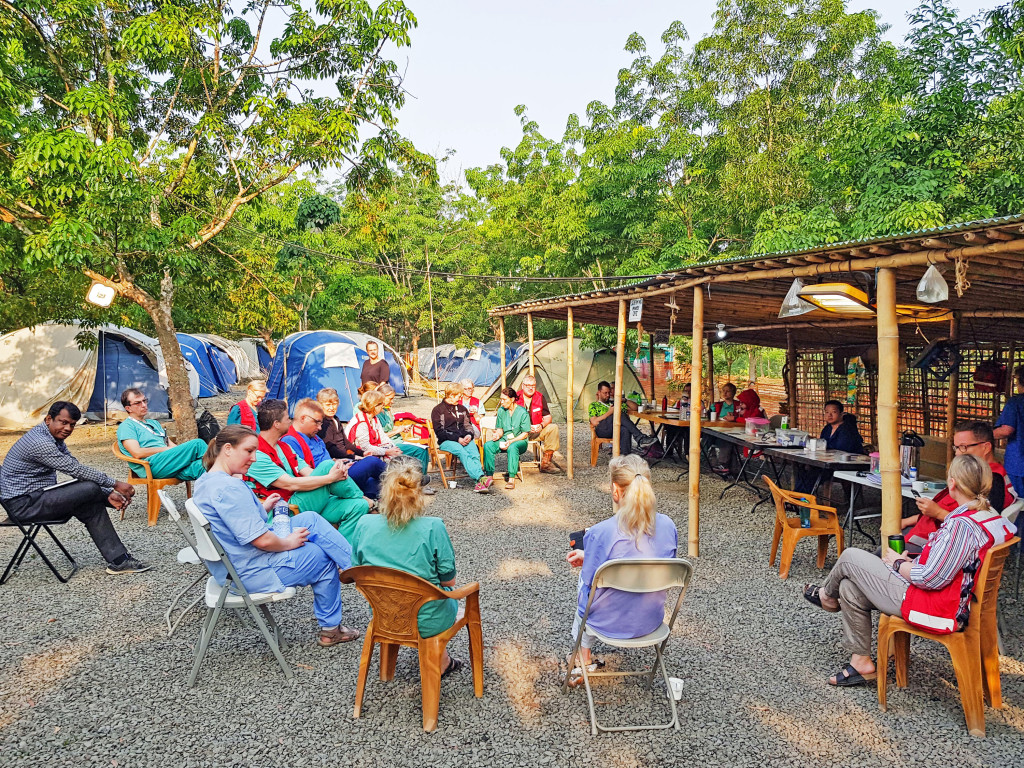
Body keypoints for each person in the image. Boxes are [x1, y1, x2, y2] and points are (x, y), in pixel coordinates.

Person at [803, 453, 1016, 687]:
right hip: (959, 599)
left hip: (936, 605)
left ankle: (826, 596)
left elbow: (930, 578)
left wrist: (897, 564)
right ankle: (861, 662)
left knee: (850, 556)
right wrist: (912, 563)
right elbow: (948, 566)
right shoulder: (992, 517)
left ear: (952, 483)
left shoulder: (961, 525)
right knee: (849, 586)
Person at [193, 425, 360, 646]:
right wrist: (288, 542)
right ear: (227, 449)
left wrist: (262, 509)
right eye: (249, 451)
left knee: (309, 518)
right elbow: (261, 540)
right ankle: (333, 627)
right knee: (322, 557)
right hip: (250, 572)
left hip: (234, 565)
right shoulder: (228, 488)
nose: (253, 458)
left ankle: (353, 567)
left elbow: (231, 523)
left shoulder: (207, 480)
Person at [564, 454, 678, 685]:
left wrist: (589, 558)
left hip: (606, 623)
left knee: (584, 585)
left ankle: (583, 658)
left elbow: (590, 582)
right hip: (650, 621)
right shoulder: (668, 525)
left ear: (616, 489)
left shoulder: (602, 531)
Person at [0, 402, 149, 575]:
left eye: (72, 424)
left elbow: (75, 468)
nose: (67, 428)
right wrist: (115, 485)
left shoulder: (53, 437)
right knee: (90, 488)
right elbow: (75, 470)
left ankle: (119, 561)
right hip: (23, 505)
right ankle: (119, 557)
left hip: (38, 498)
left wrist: (107, 493)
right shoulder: (40, 442)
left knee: (89, 501)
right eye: (63, 422)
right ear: (49, 419)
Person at [351, 460, 464, 675]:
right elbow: (449, 581)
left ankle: (391, 668)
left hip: (383, 614)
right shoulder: (433, 526)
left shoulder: (364, 524)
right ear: (419, 495)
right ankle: (441, 660)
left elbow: (356, 572)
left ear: (384, 491)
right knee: (444, 597)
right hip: (427, 618)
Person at [244, 399, 369, 543]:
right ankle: (366, 498)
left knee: (359, 506)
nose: (291, 422)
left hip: (304, 498)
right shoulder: (257, 455)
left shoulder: (284, 447)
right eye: (287, 418)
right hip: (285, 508)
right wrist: (330, 478)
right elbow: (291, 484)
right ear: (276, 424)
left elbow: (309, 472)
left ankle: (347, 553)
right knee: (328, 465)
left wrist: (335, 473)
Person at [899, 420, 1014, 553]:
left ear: (986, 447)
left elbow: (981, 527)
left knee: (884, 553)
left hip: (943, 545)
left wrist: (938, 513)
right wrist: (908, 520)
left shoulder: (992, 481)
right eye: (956, 448)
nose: (958, 453)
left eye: (964, 447)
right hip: (929, 532)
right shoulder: (973, 473)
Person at [282, 398, 387, 500]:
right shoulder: (291, 440)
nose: (319, 428)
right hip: (327, 481)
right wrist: (335, 471)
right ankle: (399, 479)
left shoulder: (314, 436)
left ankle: (372, 500)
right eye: (317, 422)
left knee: (373, 482)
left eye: (321, 423)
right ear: (303, 418)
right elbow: (305, 473)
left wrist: (339, 462)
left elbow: (327, 458)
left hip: (337, 470)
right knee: (371, 462)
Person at [116, 388, 207, 481]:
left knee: (202, 467)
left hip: (168, 462)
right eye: (137, 403)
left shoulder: (154, 423)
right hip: (152, 465)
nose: (143, 405)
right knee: (198, 444)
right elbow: (137, 453)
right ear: (128, 408)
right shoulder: (126, 426)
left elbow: (170, 444)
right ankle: (219, 462)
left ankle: (210, 494)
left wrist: (179, 454)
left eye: (144, 401)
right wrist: (165, 449)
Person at [431, 381, 492, 493]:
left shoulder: (462, 409)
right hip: (447, 441)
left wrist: (469, 435)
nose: (460, 398)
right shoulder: (438, 410)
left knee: (474, 452)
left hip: (464, 439)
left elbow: (468, 426)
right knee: (461, 451)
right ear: (451, 395)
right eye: (459, 396)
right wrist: (457, 438)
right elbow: (440, 431)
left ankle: (479, 484)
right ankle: (480, 477)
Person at [794, 400, 865, 493]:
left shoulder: (846, 430)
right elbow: (823, 445)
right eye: (827, 412)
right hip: (829, 462)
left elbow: (840, 448)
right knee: (803, 470)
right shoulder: (827, 429)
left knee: (813, 474)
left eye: (834, 412)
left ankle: (800, 499)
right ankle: (797, 497)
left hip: (847, 464)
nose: (829, 415)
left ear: (841, 414)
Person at [376, 384, 432, 480]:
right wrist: (398, 430)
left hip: (397, 440)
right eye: (390, 398)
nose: (392, 401)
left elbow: (389, 427)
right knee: (420, 451)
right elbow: (380, 436)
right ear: (382, 397)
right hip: (389, 444)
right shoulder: (376, 414)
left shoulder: (386, 410)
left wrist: (401, 427)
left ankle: (419, 479)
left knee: (424, 448)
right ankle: (419, 481)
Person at [588, 381, 656, 456]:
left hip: (616, 430)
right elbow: (594, 422)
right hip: (602, 430)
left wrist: (624, 400)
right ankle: (640, 438)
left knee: (625, 429)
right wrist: (610, 412)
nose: (608, 395)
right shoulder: (594, 405)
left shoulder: (614, 403)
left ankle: (625, 458)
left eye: (609, 392)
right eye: (605, 393)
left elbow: (636, 408)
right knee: (619, 413)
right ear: (599, 392)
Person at [484, 387, 532, 490]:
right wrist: (497, 435)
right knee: (488, 445)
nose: (502, 402)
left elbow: (525, 434)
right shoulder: (501, 411)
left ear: (512, 399)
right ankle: (489, 476)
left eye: (504, 399)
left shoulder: (522, 412)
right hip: (505, 439)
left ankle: (511, 478)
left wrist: (511, 441)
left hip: (519, 441)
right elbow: (500, 429)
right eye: (501, 399)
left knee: (513, 447)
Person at [517, 375, 562, 474]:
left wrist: (541, 425)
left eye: (533, 385)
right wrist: (526, 427)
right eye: (528, 385)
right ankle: (513, 464)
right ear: (522, 386)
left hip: (536, 431)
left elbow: (548, 417)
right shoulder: (515, 398)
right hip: (519, 432)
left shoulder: (540, 397)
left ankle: (546, 464)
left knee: (553, 428)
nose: (530, 388)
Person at [994, 364, 1024, 498]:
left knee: (1018, 503)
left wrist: (980, 436)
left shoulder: (1016, 402)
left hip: (1019, 463)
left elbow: (1006, 430)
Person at [316, 388, 364, 460]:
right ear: (320, 405)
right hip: (335, 458)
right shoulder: (324, 423)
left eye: (334, 404)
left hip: (345, 455)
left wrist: (362, 453)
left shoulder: (336, 419)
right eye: (328, 405)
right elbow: (330, 449)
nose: (331, 408)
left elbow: (346, 442)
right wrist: (352, 457)